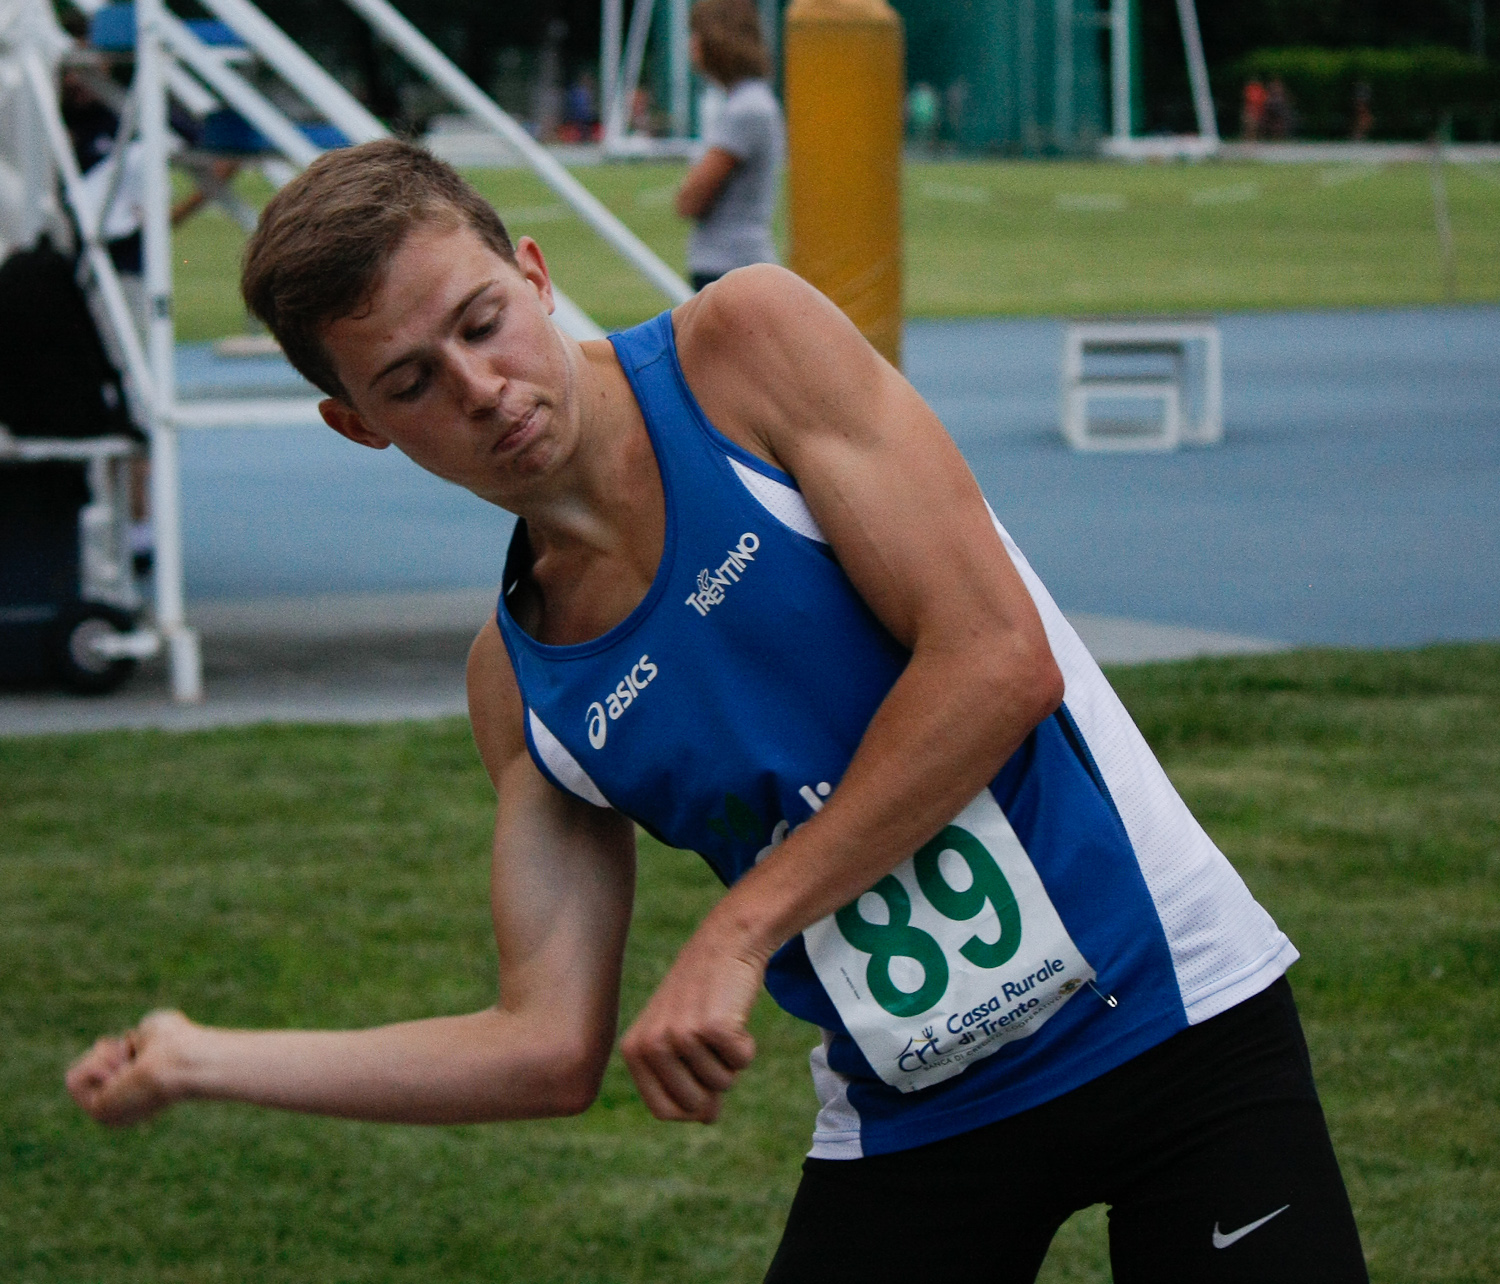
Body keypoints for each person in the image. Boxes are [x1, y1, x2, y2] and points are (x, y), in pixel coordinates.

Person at [66, 140, 1368, 1283]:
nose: (478, 388)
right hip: (918, 1109)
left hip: (1173, 1014)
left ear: (533, 273)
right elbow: (544, 1046)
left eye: (481, 321)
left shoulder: (743, 350)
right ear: (357, 428)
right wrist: (201, 1059)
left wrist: (739, 931)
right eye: (409, 383)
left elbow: (994, 661)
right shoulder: (522, 687)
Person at [675, 0, 783, 291]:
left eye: (696, 33)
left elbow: (692, 199)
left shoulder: (746, 108)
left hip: (729, 264)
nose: (690, 44)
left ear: (717, 39)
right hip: (731, 262)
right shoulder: (745, 101)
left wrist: (687, 189)